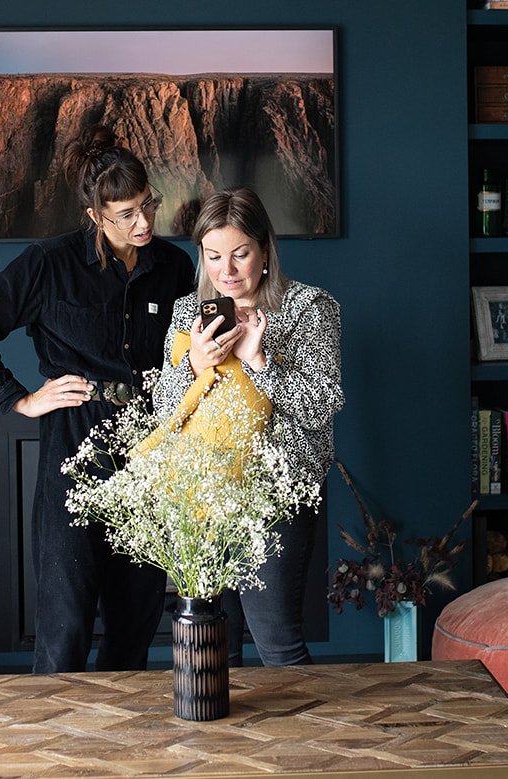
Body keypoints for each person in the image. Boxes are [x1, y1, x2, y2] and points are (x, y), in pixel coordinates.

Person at [0, 126, 194, 674]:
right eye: (125, 214)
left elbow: (187, 357)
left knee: (135, 620)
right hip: (74, 447)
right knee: (66, 623)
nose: (144, 222)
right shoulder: (48, 264)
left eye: (147, 204)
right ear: (94, 216)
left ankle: (118, 730)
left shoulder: (175, 268)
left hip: (150, 452)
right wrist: (20, 400)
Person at [151, 187, 343, 666]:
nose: (227, 271)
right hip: (207, 492)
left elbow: (323, 405)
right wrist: (194, 365)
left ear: (265, 250)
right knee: (216, 643)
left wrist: (259, 362)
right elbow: (165, 409)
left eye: (240, 254)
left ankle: (304, 719)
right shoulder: (187, 312)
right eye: (214, 256)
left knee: (277, 641)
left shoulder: (309, 308)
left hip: (277, 493)